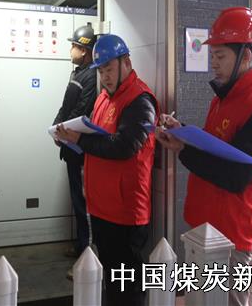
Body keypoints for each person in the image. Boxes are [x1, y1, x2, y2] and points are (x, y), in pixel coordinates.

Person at [155, 7, 252, 306]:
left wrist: (183, 149)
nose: (213, 62)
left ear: (246, 55)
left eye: (221, 56)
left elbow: (235, 176)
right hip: (204, 226)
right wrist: (181, 132)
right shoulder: (221, 100)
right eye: (212, 55)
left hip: (230, 236)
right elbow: (214, 145)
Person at [56, 34, 158, 306]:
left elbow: (125, 146)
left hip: (125, 212)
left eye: (109, 69)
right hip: (102, 208)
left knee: (128, 288)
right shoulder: (103, 97)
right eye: (101, 71)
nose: (105, 76)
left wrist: (81, 140)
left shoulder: (140, 100)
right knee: (113, 284)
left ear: (127, 63)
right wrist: (71, 138)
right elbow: (96, 138)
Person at [52, 24, 97, 266]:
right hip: (69, 146)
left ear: (84, 50)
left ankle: (87, 259)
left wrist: (64, 130)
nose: (71, 50)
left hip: (80, 150)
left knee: (84, 203)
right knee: (77, 200)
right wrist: (57, 126)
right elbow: (66, 105)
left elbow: (82, 110)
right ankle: (81, 245)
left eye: (74, 46)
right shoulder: (77, 73)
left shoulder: (91, 75)